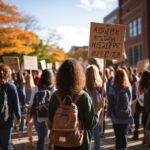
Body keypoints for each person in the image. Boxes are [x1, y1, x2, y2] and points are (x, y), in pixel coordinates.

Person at [49, 59, 98, 150]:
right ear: (79, 76)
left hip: (59, 143)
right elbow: (90, 124)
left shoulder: (54, 97)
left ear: (59, 76)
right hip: (80, 144)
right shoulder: (84, 97)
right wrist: (99, 110)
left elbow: (50, 123)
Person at [107, 69, 133, 150]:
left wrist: (109, 113)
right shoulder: (128, 87)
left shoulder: (112, 87)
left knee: (118, 137)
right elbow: (129, 101)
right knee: (124, 136)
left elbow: (110, 102)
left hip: (116, 116)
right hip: (126, 116)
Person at [30, 69, 55, 150]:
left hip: (38, 116)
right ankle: (51, 145)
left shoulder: (36, 88)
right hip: (51, 115)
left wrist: (29, 116)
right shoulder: (54, 89)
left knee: (41, 138)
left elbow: (31, 103)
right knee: (52, 135)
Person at [0, 64, 21, 150]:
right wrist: (18, 118)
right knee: (6, 145)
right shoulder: (12, 87)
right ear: (8, 74)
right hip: (6, 121)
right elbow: (16, 105)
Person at [86, 65, 104, 150]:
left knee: (88, 139)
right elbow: (98, 107)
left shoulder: (84, 90)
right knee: (95, 138)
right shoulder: (96, 91)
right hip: (94, 117)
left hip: (86, 118)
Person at [139, 70, 150, 145]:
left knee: (145, 123)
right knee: (147, 125)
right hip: (148, 107)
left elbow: (139, 95)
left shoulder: (141, 85)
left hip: (143, 106)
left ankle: (145, 139)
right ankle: (147, 140)